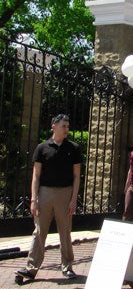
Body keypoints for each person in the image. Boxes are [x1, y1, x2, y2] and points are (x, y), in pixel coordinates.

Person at [16, 114, 81, 281]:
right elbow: (36, 176)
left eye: (68, 126)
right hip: (44, 193)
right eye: (63, 126)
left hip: (65, 193)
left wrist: (74, 199)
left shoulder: (73, 148)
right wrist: (34, 199)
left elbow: (76, 176)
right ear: (54, 126)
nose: (66, 129)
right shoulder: (42, 148)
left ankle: (67, 266)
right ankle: (31, 268)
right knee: (39, 231)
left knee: (65, 231)